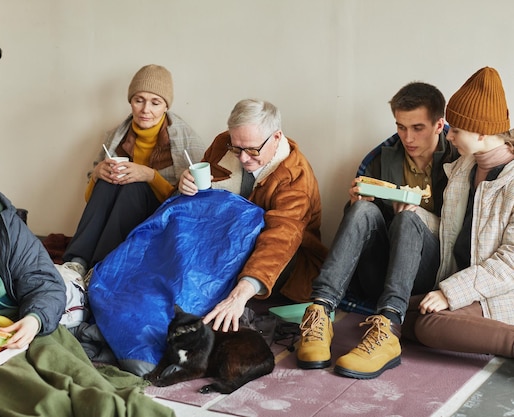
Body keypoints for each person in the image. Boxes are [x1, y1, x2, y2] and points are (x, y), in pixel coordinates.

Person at [0, 144, 174, 417]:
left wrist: (35, 319)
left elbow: (42, 278)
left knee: (76, 377)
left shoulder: (3, 222)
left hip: (26, 319)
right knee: (32, 394)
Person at [296, 81, 459, 379]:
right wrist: (355, 203)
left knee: (410, 220)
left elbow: (463, 232)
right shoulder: (381, 159)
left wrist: (420, 216)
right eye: (401, 126)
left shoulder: (459, 158)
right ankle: (320, 312)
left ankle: (388, 327)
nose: (407, 137)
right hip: (380, 272)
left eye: (418, 128)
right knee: (362, 209)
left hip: (428, 273)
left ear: (439, 125)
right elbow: (360, 233)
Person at [178, 98, 328, 332]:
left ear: (277, 137)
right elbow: (204, 206)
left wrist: (240, 293)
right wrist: (186, 186)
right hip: (224, 244)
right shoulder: (223, 144)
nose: (244, 158)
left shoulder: (295, 174)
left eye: (252, 149)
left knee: (252, 220)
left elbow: (281, 239)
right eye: (236, 148)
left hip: (282, 262)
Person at [406, 67, 514, 359]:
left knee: (428, 326)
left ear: (482, 132)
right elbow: (456, 230)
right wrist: (416, 214)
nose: (449, 136)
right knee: (396, 315)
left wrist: (449, 294)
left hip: (499, 293)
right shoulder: (464, 168)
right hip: (465, 282)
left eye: (457, 129)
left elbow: (509, 265)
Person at [62, 64, 205, 277]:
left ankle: (103, 265)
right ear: (131, 102)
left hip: (161, 217)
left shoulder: (186, 140)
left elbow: (192, 204)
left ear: (166, 107)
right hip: (120, 215)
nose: (145, 109)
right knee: (108, 179)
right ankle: (77, 261)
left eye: (155, 102)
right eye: (139, 100)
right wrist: (97, 174)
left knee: (134, 186)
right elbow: (89, 196)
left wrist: (150, 176)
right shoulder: (116, 136)